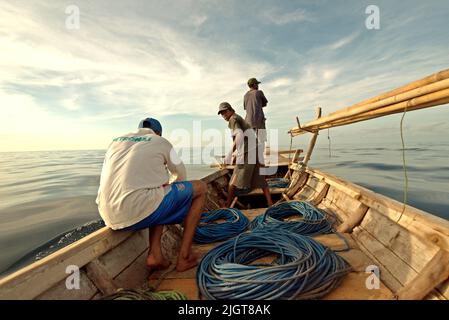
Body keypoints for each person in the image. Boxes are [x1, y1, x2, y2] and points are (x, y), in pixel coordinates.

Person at [96, 118, 207, 272]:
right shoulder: (160, 141)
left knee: (157, 190)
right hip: (136, 209)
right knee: (201, 188)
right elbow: (181, 175)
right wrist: (176, 193)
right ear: (159, 133)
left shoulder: (116, 142)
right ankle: (184, 258)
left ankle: (155, 254)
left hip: (107, 214)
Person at [218, 102, 273, 207]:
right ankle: (270, 202)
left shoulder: (233, 119)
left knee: (234, 178)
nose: (223, 115)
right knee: (261, 178)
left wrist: (230, 153)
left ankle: (227, 205)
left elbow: (239, 135)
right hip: (256, 148)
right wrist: (236, 153)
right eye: (221, 113)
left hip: (248, 151)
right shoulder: (238, 118)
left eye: (225, 112)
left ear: (230, 110)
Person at [244, 77, 268, 165]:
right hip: (259, 120)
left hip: (248, 121)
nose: (258, 85)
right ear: (254, 85)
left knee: (250, 141)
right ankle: (260, 161)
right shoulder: (259, 92)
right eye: (257, 84)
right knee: (261, 140)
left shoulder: (245, 95)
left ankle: (251, 159)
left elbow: (245, 107)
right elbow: (264, 104)